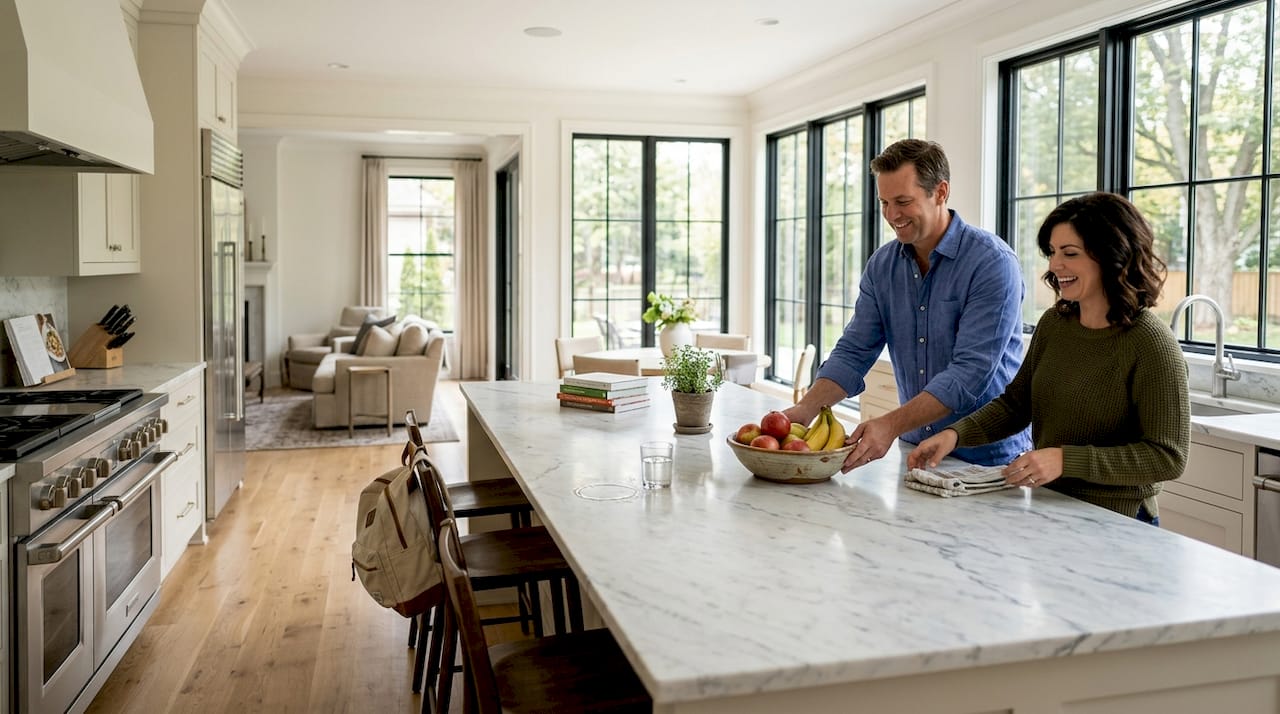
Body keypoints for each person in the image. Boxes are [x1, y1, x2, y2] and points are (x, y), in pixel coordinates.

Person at [907, 192, 1189, 523]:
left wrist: (1065, 460)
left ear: (1112, 255)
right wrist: (954, 435)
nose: (1055, 266)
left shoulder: (1150, 343)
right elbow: (1016, 405)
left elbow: (1167, 456)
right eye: (1053, 253)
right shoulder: (1055, 324)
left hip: (1119, 520)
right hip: (1048, 507)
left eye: (1070, 253)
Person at [783, 139, 1030, 472]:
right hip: (914, 454)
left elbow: (969, 374)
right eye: (884, 202)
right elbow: (854, 351)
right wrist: (802, 412)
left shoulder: (991, 264)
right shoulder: (882, 266)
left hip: (986, 460)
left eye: (902, 201)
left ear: (940, 192)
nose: (891, 215)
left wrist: (890, 424)